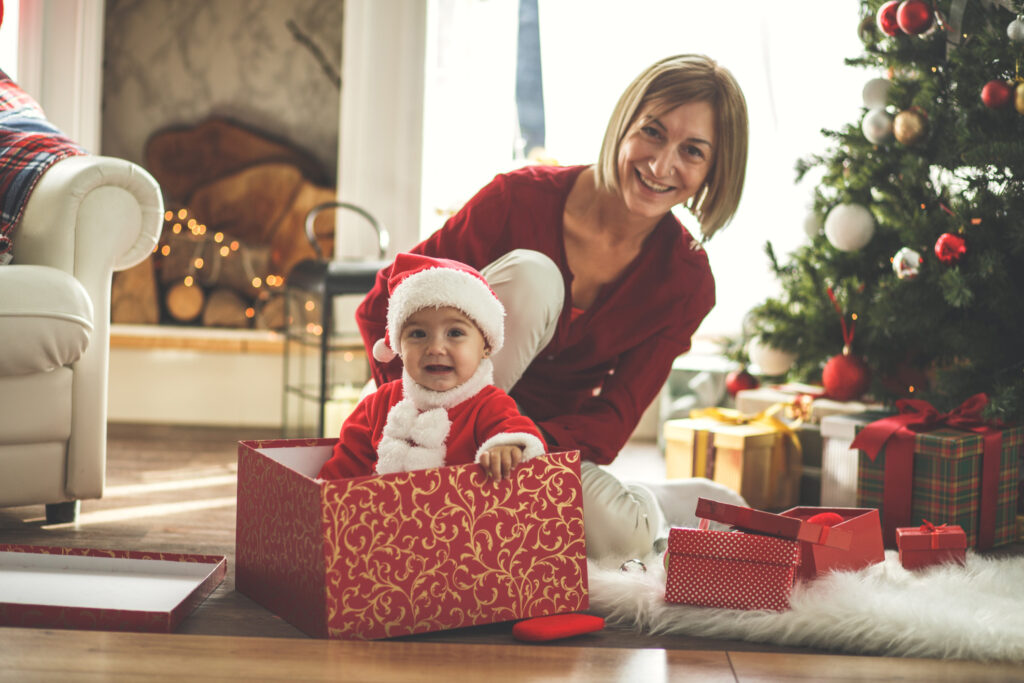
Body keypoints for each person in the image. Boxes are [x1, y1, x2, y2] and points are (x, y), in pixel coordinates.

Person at [356, 54, 750, 560]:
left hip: (536, 449)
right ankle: (452, 473)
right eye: (652, 132)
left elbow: (613, 417)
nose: (660, 165)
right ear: (624, 123)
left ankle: (660, 506)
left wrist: (516, 445)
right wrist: (411, 417)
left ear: (715, 169)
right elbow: (382, 308)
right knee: (534, 276)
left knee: (625, 539)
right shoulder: (516, 200)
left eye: (692, 151)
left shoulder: (687, 281)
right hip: (436, 425)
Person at [317, 252, 547, 483]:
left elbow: (518, 431)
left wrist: (508, 447)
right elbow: (343, 468)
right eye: (418, 334)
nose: (435, 348)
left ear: (485, 345)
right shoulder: (377, 405)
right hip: (383, 516)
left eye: (455, 333)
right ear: (399, 345)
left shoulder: (489, 405)